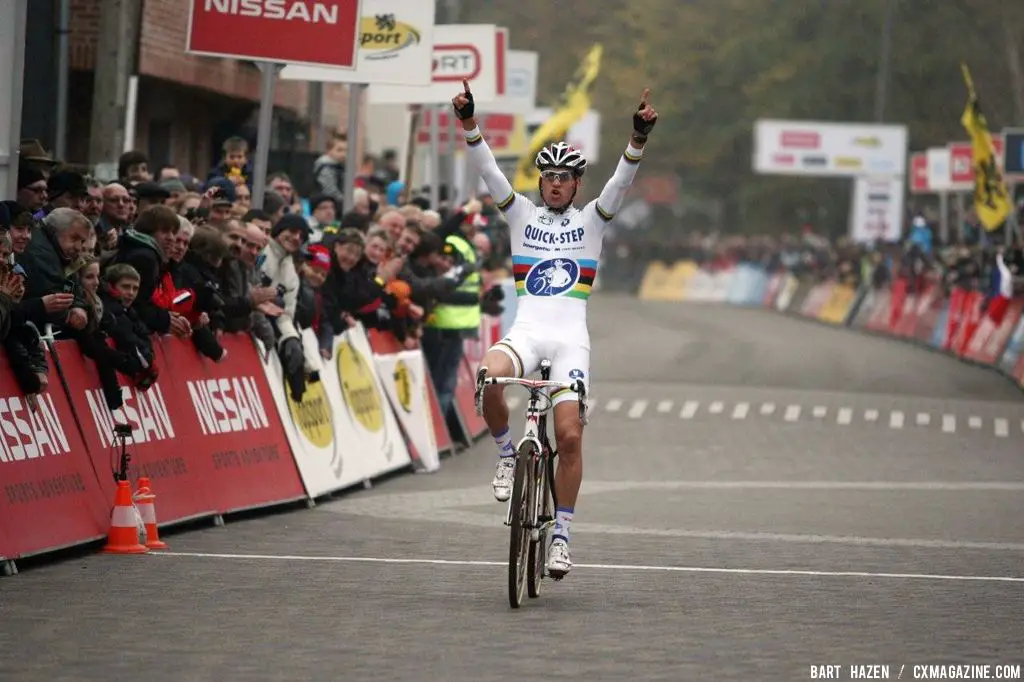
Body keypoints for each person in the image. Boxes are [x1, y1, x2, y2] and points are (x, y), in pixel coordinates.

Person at [452, 79, 658, 578]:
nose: (557, 184)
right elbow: (488, 172)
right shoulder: (520, 214)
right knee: (487, 375)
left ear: (576, 184)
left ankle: (562, 533)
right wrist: (469, 125)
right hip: (526, 333)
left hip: (569, 342)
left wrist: (637, 140)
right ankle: (506, 454)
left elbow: (620, 185)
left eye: (566, 178)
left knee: (568, 437)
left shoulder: (592, 221)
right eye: (549, 177)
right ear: (541, 181)